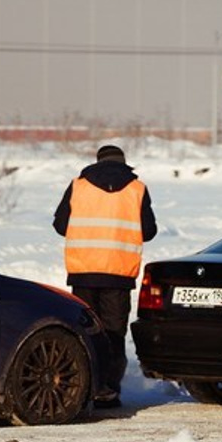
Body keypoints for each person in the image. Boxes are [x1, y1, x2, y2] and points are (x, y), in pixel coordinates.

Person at [53, 143, 158, 407]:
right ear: (124, 162)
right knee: (113, 333)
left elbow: (60, 224)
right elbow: (149, 231)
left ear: (97, 162)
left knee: (86, 331)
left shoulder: (79, 185)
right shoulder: (137, 188)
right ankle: (109, 391)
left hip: (83, 271)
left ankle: (85, 386)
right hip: (118, 274)